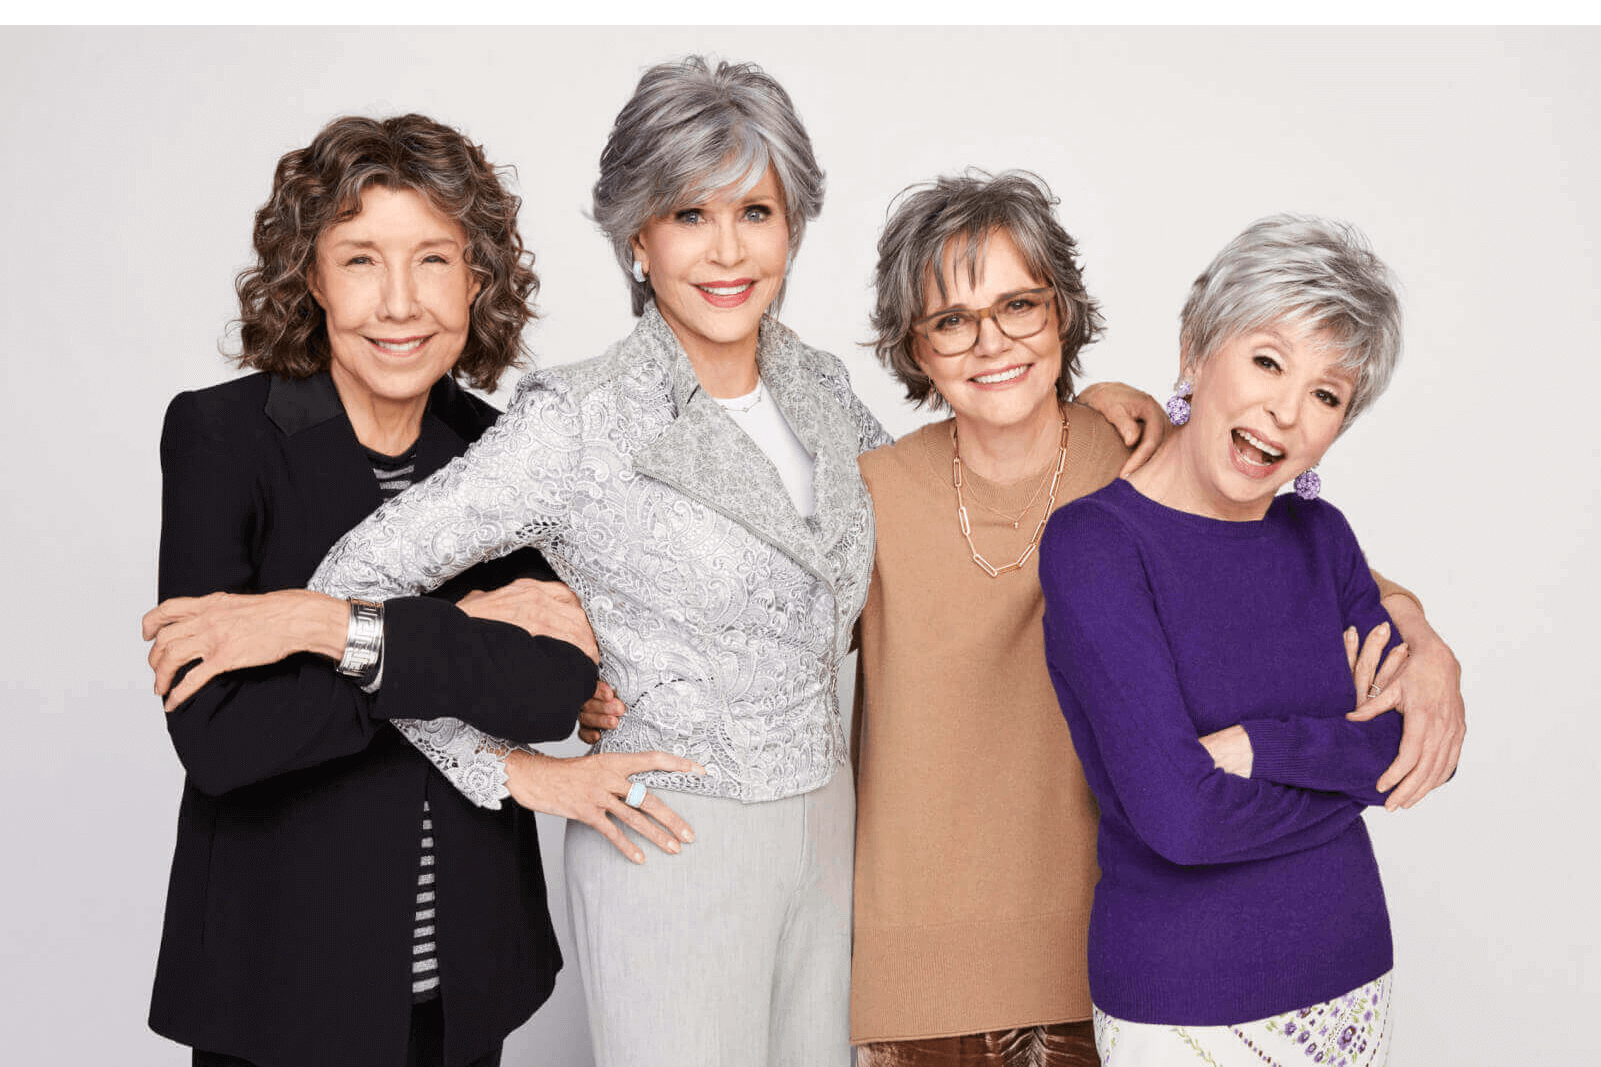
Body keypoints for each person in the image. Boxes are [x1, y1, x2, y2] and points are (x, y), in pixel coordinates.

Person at [848, 177, 1466, 1066]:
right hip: (937, 977)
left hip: (1114, 966)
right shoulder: (867, 494)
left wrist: (1423, 639)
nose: (991, 341)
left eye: (1018, 305)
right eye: (952, 319)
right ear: (914, 342)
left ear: (1061, 311)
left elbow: (1282, 568)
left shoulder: (1130, 452)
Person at [141, 113, 697, 1067]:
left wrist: (314, 627)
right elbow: (223, 736)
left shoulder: (504, 448)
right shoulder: (222, 438)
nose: (400, 302)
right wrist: (457, 630)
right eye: (361, 260)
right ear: (309, 277)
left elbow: (547, 690)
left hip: (470, 977)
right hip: (283, 981)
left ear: (476, 281)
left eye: (433, 260)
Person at [1039, 214, 1459, 1065]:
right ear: (1196, 348)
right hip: (1185, 1001)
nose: (1284, 410)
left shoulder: (1321, 536)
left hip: (1349, 978)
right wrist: (1349, 763)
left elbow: (1417, 748)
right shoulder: (1096, 544)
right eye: (1267, 361)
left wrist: (1257, 747)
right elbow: (1181, 817)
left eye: (1326, 394)